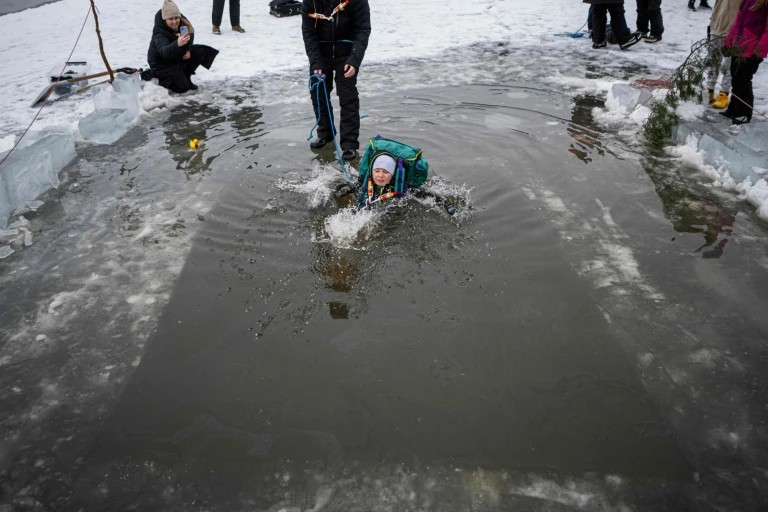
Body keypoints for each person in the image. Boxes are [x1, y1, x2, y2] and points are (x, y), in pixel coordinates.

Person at [302, 0, 371, 161]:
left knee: (348, 97)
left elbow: (363, 29)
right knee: (318, 93)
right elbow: (308, 32)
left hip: (346, 54)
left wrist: (354, 59)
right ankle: (325, 134)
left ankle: (349, 144)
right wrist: (316, 62)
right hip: (321, 53)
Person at [148, 0, 219, 94]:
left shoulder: (182, 21)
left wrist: (188, 50)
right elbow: (164, 51)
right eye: (170, 19)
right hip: (162, 64)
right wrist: (177, 44)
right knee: (183, 88)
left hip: (176, 55)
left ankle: (186, 75)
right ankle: (163, 80)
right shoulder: (159, 31)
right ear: (165, 19)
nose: (174, 22)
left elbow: (190, 32)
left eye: (176, 18)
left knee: (201, 51)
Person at [721, 0, 768, 124]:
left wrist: (759, 52)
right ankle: (733, 107)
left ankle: (744, 113)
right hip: (738, 46)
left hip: (751, 50)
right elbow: (738, 23)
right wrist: (728, 42)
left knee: (742, 81)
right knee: (735, 79)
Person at [705, 0, 742, 108]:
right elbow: (717, 5)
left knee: (728, 64)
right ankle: (709, 88)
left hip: (733, 31)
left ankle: (724, 93)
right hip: (717, 27)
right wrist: (711, 23)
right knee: (713, 60)